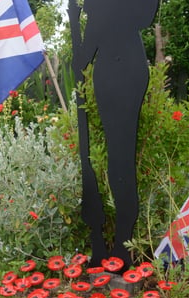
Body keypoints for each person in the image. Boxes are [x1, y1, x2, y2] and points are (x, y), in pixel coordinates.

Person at [70, 0, 159, 269]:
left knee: (121, 159)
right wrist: (75, 20)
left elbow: (85, 54)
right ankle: (116, 242)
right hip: (117, 70)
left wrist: (76, 20)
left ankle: (122, 243)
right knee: (118, 159)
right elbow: (86, 52)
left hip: (119, 72)